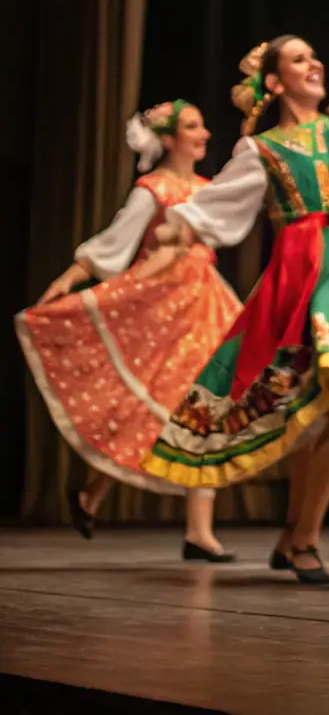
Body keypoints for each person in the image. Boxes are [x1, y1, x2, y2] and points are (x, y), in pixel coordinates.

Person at [140, 0, 329, 585]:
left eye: (313, 56)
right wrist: (159, 252)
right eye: (298, 58)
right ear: (274, 82)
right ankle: (301, 539)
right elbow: (207, 213)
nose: (314, 63)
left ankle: (300, 536)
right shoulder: (258, 151)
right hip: (304, 273)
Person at [16, 101, 242, 560]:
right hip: (158, 309)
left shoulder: (207, 189)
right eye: (192, 127)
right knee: (158, 409)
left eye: (202, 126)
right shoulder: (153, 190)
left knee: (204, 406)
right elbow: (113, 244)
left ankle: (198, 530)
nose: (203, 134)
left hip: (205, 303)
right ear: (168, 139)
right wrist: (68, 280)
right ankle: (95, 493)